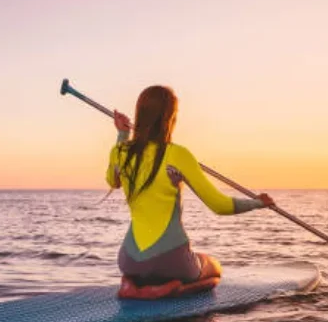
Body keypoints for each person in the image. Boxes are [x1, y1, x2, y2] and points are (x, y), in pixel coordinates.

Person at [107, 85, 273, 299]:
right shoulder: (178, 154)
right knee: (214, 270)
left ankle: (130, 284)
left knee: (142, 268)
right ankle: (171, 289)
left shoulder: (120, 152)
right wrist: (258, 203)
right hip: (170, 261)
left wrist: (122, 135)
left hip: (128, 261)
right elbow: (219, 205)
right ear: (170, 118)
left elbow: (113, 181)